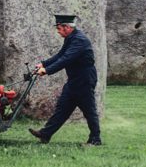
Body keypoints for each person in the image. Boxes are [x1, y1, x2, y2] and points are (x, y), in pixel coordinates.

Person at [29, 14, 102, 146]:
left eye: (59, 28)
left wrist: (47, 70)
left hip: (84, 80)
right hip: (74, 80)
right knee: (62, 108)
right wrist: (44, 64)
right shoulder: (70, 38)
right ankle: (45, 134)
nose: (58, 31)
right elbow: (60, 55)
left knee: (89, 110)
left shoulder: (79, 40)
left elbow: (66, 59)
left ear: (67, 27)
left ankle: (95, 139)